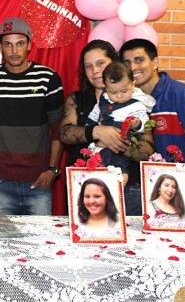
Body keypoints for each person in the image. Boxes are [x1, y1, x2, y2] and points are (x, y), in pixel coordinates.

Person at [120, 38, 185, 223]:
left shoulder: (183, 95)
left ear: (155, 62)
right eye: (127, 63)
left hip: (183, 194)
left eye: (139, 60)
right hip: (146, 195)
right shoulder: (127, 101)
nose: (133, 67)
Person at [60, 40, 153, 215]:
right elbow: (65, 134)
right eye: (88, 66)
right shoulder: (76, 99)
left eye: (100, 63)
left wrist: (118, 142)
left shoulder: (138, 100)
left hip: (128, 189)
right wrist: (97, 132)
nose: (95, 71)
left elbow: (147, 150)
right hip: (85, 187)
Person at [0, 18, 64, 215]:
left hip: (39, 182)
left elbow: (58, 129)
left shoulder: (48, 78)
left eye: (20, 43)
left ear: (29, 45)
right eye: (8, 44)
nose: (14, 50)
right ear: (1, 47)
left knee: (41, 236)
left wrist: (52, 170)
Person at [85, 61, 155, 186]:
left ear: (133, 84)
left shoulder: (137, 104)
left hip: (124, 141)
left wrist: (137, 124)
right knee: (99, 160)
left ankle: (120, 183)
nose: (119, 96)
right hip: (104, 140)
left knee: (120, 165)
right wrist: (89, 125)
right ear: (105, 87)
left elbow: (145, 124)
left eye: (124, 91)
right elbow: (95, 113)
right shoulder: (104, 99)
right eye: (113, 92)